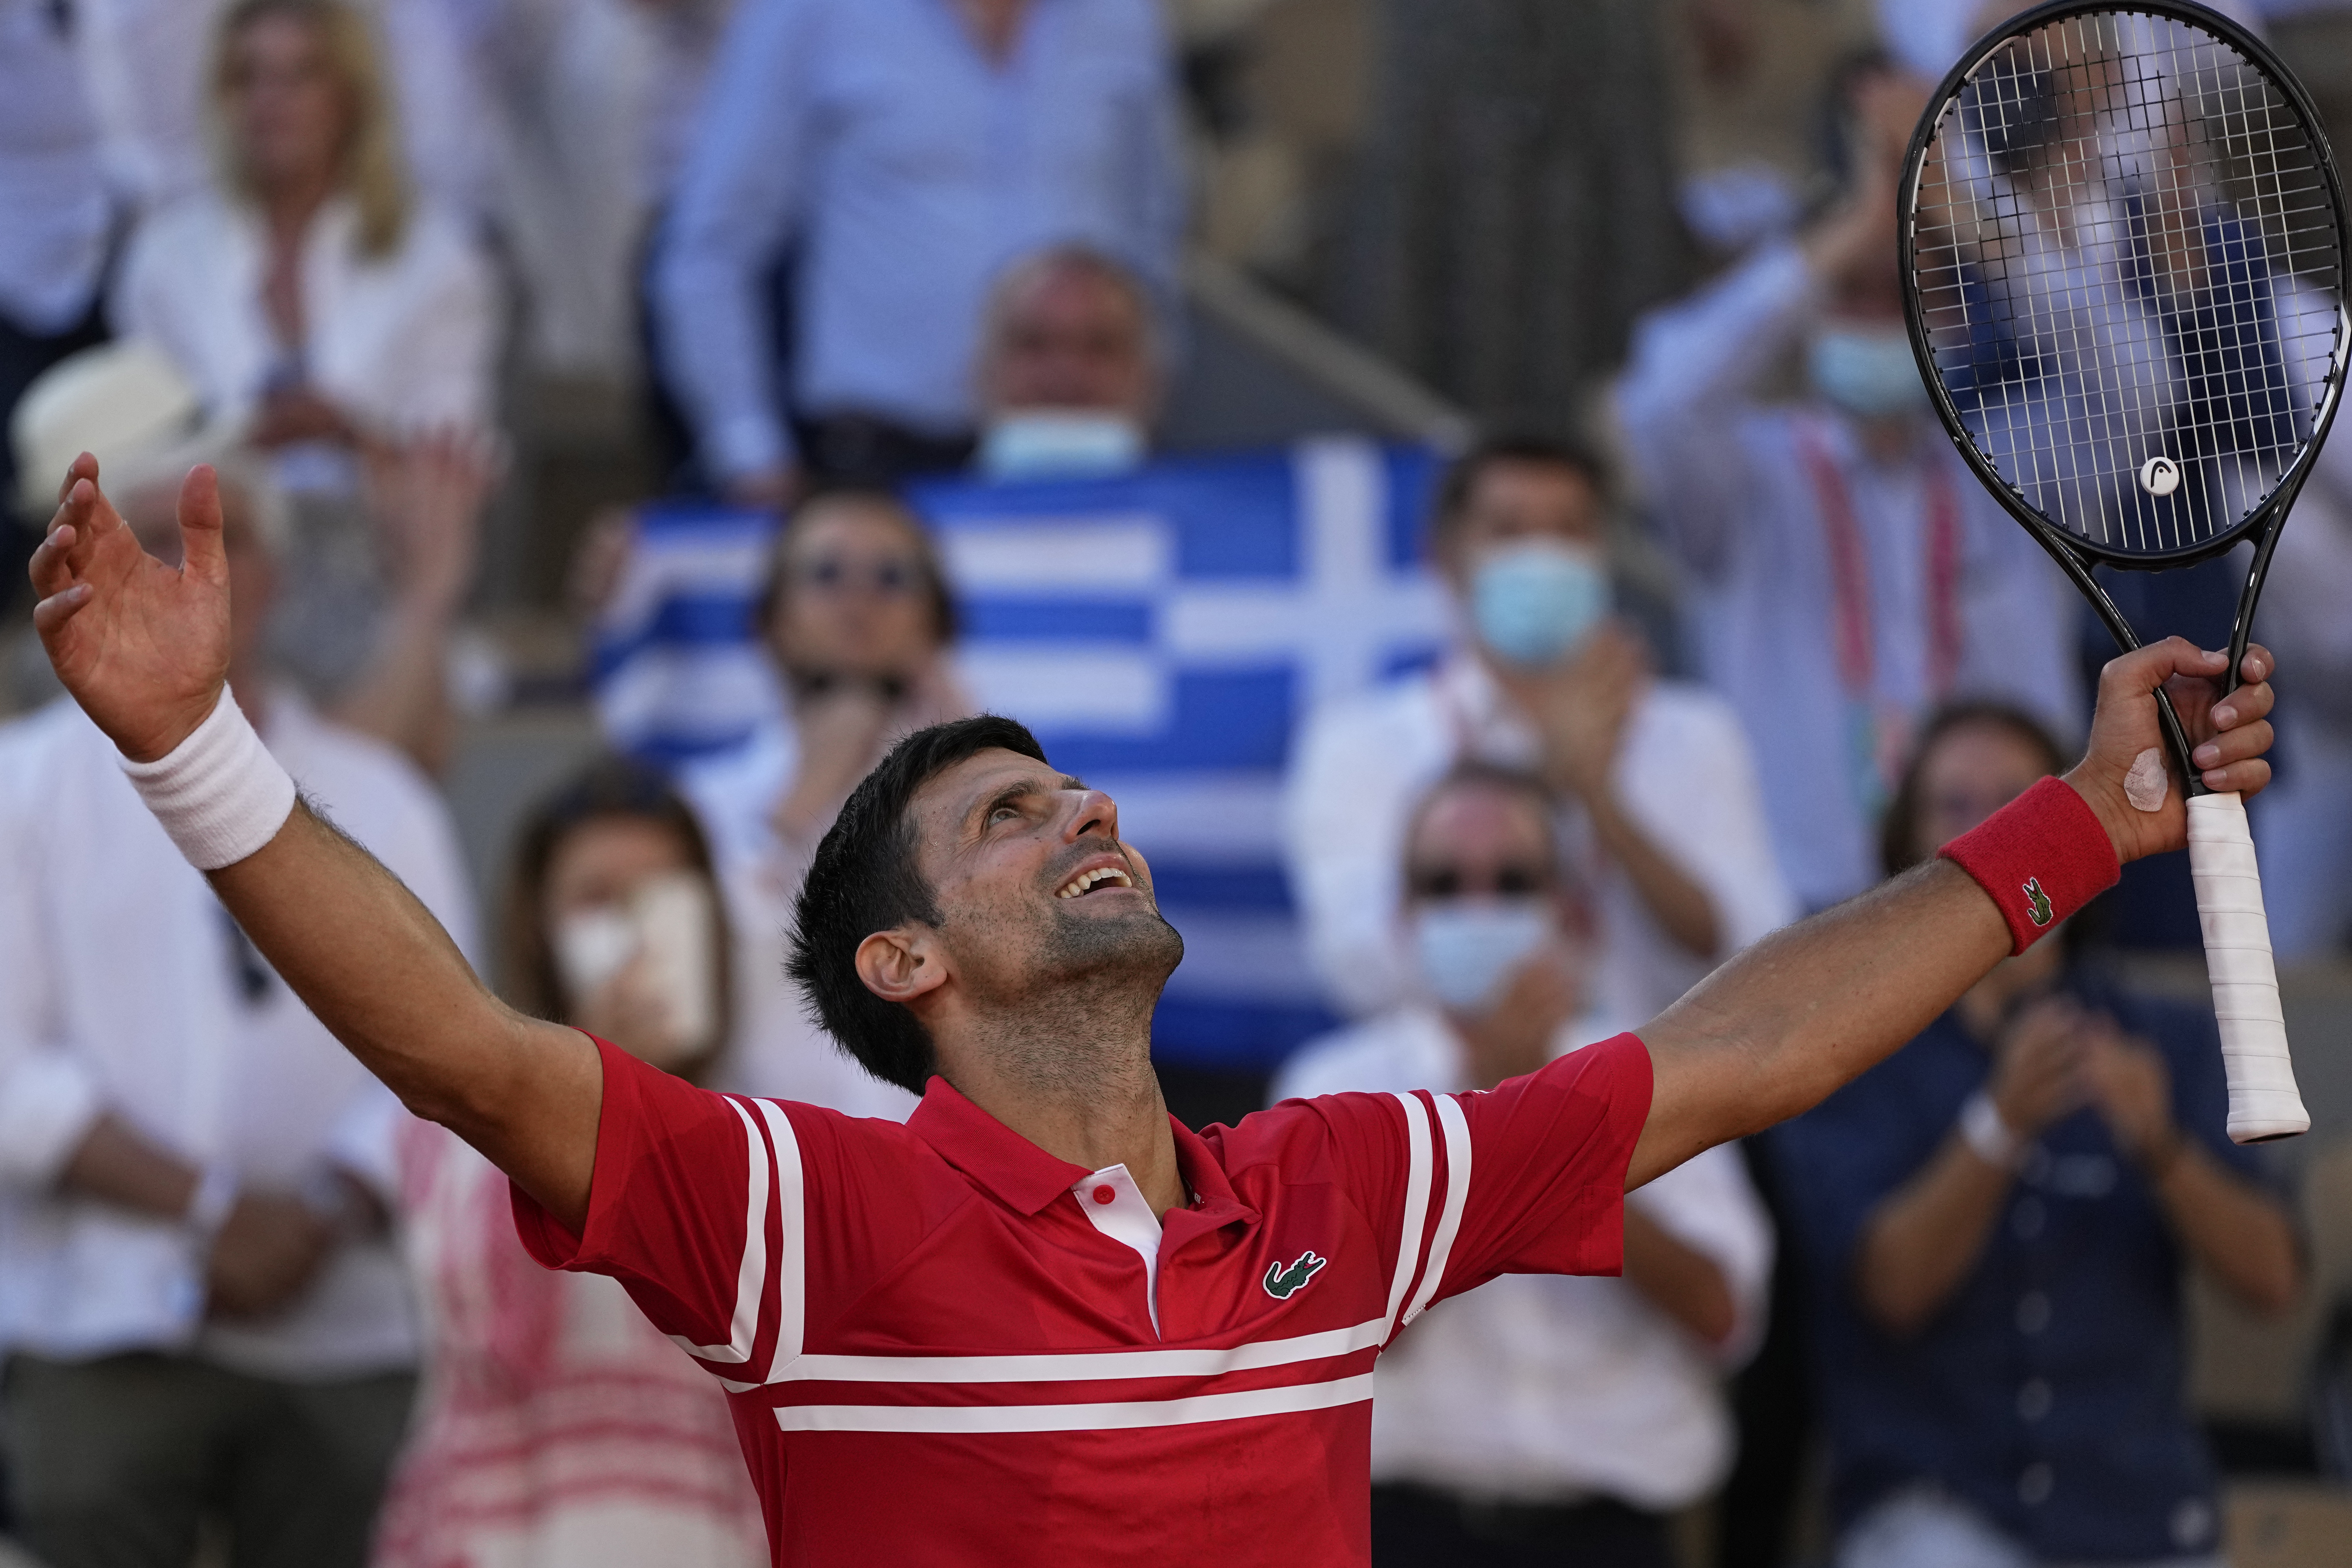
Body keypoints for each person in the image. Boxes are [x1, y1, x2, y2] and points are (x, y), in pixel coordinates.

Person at [22, 449, 2281, 1564]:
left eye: (1076, 786)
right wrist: (196, 751)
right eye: (1008, 815)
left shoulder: (1339, 1190)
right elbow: (456, 1046)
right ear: (901, 964)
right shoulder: (799, 1217)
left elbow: (1745, 1045)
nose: (1081, 807)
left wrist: (2083, 822)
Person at [0, 460, 476, 1568]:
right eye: (145, 535)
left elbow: (456, 1053)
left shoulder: (386, 795)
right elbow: (10, 1075)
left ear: (273, 574)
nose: (182, 566)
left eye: (219, 537)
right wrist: (214, 1213)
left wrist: (322, 1209)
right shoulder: (22, 784)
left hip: (344, 1316)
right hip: (99, 1313)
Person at [1770, 702, 2301, 1568]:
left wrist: (2161, 1146)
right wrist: (1999, 1126)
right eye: (1955, 805)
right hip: (1937, 1513)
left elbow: (2275, 1282)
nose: (1990, 832)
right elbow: (1889, 1291)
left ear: (2079, 832)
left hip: (2141, 1515)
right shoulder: (1850, 1050)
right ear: (1906, 843)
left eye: (2019, 804)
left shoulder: (2161, 1037)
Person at [1614, 53, 2080, 914]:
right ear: (1812, 315)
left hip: (2009, 898)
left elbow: (2145, 390)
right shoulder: (1749, 473)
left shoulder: (2017, 465)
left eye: (1901, 294)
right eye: (1850, 294)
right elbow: (1660, 402)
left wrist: (1970, 227)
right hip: (1798, 913)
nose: (1874, 316)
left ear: (1946, 316)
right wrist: (1846, 237)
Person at [1275, 764, 1772, 1567]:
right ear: (1404, 912)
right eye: (1445, 883)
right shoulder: (1330, 1089)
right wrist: (1485, 1117)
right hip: (1392, 1522)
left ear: (1568, 909)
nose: (1478, 908)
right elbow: (1319, 1341)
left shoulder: (1658, 1074)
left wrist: (1551, 1135)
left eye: (1511, 881)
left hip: (1611, 1528)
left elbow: (1723, 1318)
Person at [373, 757, 766, 1568]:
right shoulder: (452, 1128)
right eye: (597, 900)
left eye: (662, 897)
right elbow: (492, 1336)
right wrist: (589, 1089)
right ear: (539, 928)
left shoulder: (761, 1136)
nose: (636, 929)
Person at [1285, 435, 1794, 1027]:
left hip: (1662, 1083)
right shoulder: (1358, 744)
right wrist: (1542, 786)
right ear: (1444, 559)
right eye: (1508, 531)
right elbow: (1357, 968)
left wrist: (1600, 799)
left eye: (1569, 531)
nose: (1543, 556)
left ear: (1602, 554)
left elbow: (1752, 952)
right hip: (1458, 1088)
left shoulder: (1697, 733)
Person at [651, 0, 1184, 498]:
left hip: (1087, 458)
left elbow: (1152, 237)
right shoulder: (812, 14)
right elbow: (712, 248)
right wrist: (749, 452)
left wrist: (1155, 405)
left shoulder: (1124, 17)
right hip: (883, 461)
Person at [111, 0, 498, 470]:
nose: (270, 100)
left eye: (300, 76)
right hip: (212, 515)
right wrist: (242, 442)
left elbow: (456, 457)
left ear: (351, 97)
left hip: (378, 515)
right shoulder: (163, 261)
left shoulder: (437, 258)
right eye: (249, 77)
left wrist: (347, 435)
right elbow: (142, 455)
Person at [678, 489, 964, 1113]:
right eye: (826, 573)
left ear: (936, 625)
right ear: (771, 622)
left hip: (939, 1166)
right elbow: (680, 1000)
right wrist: (798, 806)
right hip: (757, 1161)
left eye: (891, 576)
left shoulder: (999, 803)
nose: (858, 599)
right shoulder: (697, 806)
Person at [970, 243, 1164, 482]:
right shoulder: (927, 504)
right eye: (1035, 342)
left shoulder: (1207, 504)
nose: (1066, 371)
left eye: (1100, 345)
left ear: (1151, 376)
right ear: (984, 370)